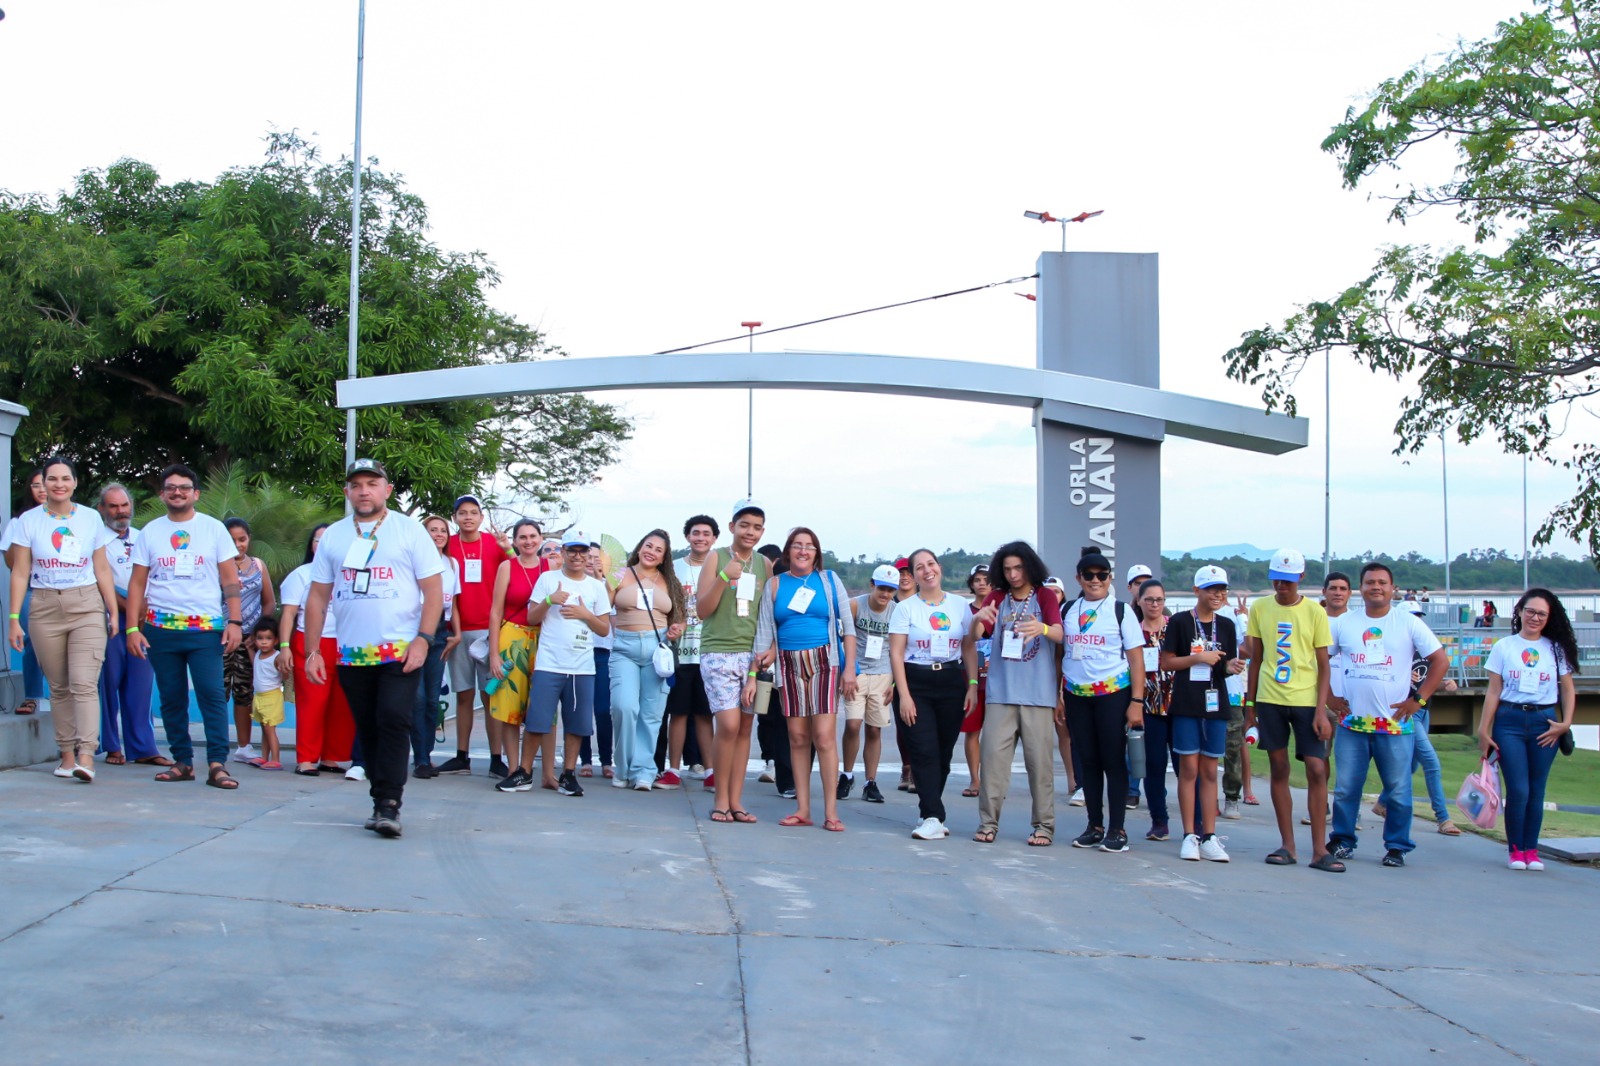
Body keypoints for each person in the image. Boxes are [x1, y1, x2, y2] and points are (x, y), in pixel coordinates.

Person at [303, 459, 445, 838]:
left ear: (387, 489)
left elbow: (433, 591)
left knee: (394, 719)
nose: (364, 491)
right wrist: (312, 650)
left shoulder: (408, 530)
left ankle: (390, 804)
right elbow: (317, 596)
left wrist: (424, 639)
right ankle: (379, 798)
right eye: (357, 485)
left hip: (400, 650)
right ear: (347, 491)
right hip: (352, 654)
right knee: (367, 727)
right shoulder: (334, 536)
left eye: (372, 483)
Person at [126, 463, 245, 789]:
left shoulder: (213, 529)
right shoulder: (150, 532)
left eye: (184, 488)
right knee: (171, 697)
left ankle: (218, 764)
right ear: (162, 494)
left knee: (211, 695)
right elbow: (137, 583)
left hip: (205, 630)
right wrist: (132, 629)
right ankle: (182, 762)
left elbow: (229, 579)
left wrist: (235, 622)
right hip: (160, 630)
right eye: (171, 488)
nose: (177, 492)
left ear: (196, 494)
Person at [1326, 562, 1447, 869]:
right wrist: (1328, 697)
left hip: (1395, 725)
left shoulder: (1408, 623)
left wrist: (1418, 700)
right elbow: (1320, 660)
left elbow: (1440, 661)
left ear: (1393, 588)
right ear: (1361, 588)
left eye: (1382, 582)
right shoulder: (1345, 623)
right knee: (1346, 788)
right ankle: (1342, 840)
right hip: (1353, 724)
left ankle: (1397, 846)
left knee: (1398, 790)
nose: (1376, 587)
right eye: (1370, 582)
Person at [6, 457, 119, 781]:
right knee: (59, 687)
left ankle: (86, 756)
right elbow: (20, 571)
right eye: (52, 479)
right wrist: (14, 618)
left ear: (75, 482)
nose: (59, 484)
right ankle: (67, 756)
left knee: (83, 683)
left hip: (86, 605)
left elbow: (101, 568)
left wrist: (112, 610)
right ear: (43, 483)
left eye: (65, 478)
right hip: (44, 606)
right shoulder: (28, 521)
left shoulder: (90, 518)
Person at [749, 527, 856, 831]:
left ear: (816, 553)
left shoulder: (829, 580)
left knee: (823, 736)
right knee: (797, 737)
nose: (803, 551)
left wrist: (849, 669)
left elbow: (848, 628)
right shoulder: (775, 584)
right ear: (788, 551)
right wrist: (755, 675)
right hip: (788, 663)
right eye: (797, 545)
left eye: (809, 546)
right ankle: (803, 809)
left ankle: (831, 812)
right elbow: (764, 633)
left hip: (824, 661)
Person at [499, 531, 612, 796]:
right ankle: (524, 772)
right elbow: (531, 617)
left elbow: (604, 629)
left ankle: (568, 774)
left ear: (588, 554)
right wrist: (550, 600)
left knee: (577, 724)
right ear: (563, 553)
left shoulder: (596, 587)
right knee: (537, 720)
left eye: (582, 551)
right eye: (571, 550)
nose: (577, 556)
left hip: (581, 666)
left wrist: (585, 614)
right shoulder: (548, 579)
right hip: (549, 663)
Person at [1244, 548, 1336, 869]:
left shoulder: (1314, 612)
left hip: (1306, 701)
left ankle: (1320, 849)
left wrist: (1322, 710)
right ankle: (1288, 845)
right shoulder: (1260, 608)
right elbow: (1256, 659)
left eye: (1288, 580)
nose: (1282, 586)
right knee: (1279, 767)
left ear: (1300, 577)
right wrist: (1250, 707)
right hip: (1270, 699)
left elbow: (1323, 665)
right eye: (1277, 580)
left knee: (1316, 768)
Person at [970, 541, 1064, 846]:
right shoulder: (998, 597)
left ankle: (1044, 826)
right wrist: (978, 619)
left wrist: (1043, 628)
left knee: (1040, 766)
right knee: (992, 764)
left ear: (1029, 567)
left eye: (1018, 568)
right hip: (1001, 693)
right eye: (1007, 569)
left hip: (1038, 696)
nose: (1013, 574)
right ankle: (988, 822)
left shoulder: (1044, 596)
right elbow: (974, 636)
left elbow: (1060, 633)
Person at [1479, 588, 1579, 871]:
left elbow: (1568, 689)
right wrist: (1484, 729)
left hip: (1544, 723)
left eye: (1542, 614)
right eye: (1531, 611)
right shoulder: (1504, 646)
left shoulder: (1555, 649)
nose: (1535, 618)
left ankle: (1531, 851)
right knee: (1518, 789)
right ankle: (1515, 850)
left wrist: (1566, 723)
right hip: (1509, 721)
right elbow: (1494, 690)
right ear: (1520, 612)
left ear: (1549, 618)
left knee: (1536, 790)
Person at [889, 549, 979, 840]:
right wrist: (904, 695)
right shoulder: (905, 608)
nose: (927, 571)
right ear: (913, 575)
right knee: (923, 750)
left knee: (942, 754)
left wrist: (972, 685)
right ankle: (933, 816)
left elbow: (968, 646)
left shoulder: (960, 605)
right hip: (916, 682)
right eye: (919, 567)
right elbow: (896, 653)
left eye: (931, 564)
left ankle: (928, 810)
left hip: (951, 681)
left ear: (939, 567)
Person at [1060, 549, 1147, 853]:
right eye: (1089, 575)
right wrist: (1058, 695)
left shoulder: (1120, 611)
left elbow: (1136, 660)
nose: (1095, 580)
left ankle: (1117, 829)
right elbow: (1060, 653)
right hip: (1076, 695)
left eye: (1101, 575)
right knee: (1089, 761)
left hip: (1113, 694)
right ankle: (1094, 826)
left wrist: (1137, 701)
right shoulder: (1068, 610)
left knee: (1113, 760)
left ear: (1110, 578)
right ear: (1078, 578)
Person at [696, 501, 772, 820]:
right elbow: (702, 610)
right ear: (732, 527)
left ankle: (736, 801)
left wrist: (765, 657)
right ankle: (720, 799)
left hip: (754, 658)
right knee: (727, 725)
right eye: (744, 525)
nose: (750, 532)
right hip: (718, 652)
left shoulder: (765, 564)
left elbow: (768, 615)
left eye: (757, 527)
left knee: (744, 729)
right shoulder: (716, 558)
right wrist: (723, 577)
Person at [1160, 566, 1238, 861]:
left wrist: (1230, 667)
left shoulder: (1226, 625)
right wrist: (1198, 658)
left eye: (1222, 590)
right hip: (1186, 703)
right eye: (1212, 589)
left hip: (1215, 704)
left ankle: (1209, 836)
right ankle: (1189, 835)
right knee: (1189, 769)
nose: (1218, 595)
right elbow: (1167, 662)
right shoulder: (1180, 621)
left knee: (1209, 771)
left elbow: (1224, 666)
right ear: (1197, 591)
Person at [95, 482, 166, 766]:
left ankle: (144, 748)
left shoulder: (142, 537)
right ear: (102, 508)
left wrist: (146, 609)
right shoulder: (95, 540)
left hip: (144, 619)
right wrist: (130, 607)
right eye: (113, 506)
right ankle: (111, 746)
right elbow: (99, 581)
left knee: (141, 685)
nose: (120, 511)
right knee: (107, 683)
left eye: (124, 505)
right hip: (110, 617)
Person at [611, 529, 688, 790]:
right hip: (624, 648)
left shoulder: (670, 581)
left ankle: (643, 770)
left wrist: (677, 629)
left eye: (658, 550)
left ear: (664, 557)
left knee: (652, 713)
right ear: (640, 547)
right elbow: (602, 606)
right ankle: (622, 768)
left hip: (658, 650)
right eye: (648, 545)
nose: (651, 552)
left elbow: (681, 618)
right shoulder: (620, 574)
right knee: (624, 707)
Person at [438, 494, 509, 776]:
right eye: (462, 513)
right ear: (454, 517)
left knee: (491, 696)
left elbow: (516, 570)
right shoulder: (449, 545)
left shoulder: (493, 544)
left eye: (473, 513)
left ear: (481, 517)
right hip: (457, 630)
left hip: (491, 631)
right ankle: (461, 757)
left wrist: (509, 548)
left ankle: (496, 759)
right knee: (464, 695)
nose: (468, 517)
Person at [277, 524, 356, 775]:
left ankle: (332, 757)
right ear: (311, 545)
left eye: (327, 541)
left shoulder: (349, 573)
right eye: (317, 540)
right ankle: (306, 759)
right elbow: (288, 614)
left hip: (344, 644)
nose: (322, 545)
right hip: (311, 643)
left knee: (341, 703)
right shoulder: (301, 575)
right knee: (312, 702)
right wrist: (285, 647)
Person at [486, 519, 552, 785]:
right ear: (514, 541)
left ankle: (545, 772)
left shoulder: (550, 567)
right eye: (522, 537)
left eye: (533, 536)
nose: (528, 542)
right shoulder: (507, 567)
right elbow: (495, 612)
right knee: (510, 709)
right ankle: (514, 769)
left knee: (544, 708)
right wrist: (494, 654)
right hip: (511, 638)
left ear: (540, 538)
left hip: (544, 639)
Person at [661, 515, 719, 788]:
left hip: (709, 651)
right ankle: (673, 770)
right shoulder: (673, 568)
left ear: (714, 538)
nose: (700, 538)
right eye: (696, 533)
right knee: (679, 713)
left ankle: (711, 771)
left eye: (706, 534)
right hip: (680, 654)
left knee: (705, 714)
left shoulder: (721, 568)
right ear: (687, 537)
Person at [839, 564, 898, 804]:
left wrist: (894, 683)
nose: (885, 594)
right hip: (857, 672)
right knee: (853, 724)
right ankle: (847, 774)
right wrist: (846, 670)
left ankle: (870, 782)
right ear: (872, 585)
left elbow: (899, 649)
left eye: (890, 590)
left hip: (883, 673)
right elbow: (841, 638)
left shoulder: (897, 612)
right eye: (882, 588)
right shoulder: (856, 605)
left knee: (874, 729)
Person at [222, 518, 275, 765]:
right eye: (231, 540)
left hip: (250, 642)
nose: (237, 545)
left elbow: (269, 602)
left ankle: (244, 747)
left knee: (245, 692)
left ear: (249, 539)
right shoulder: (216, 566)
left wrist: (259, 634)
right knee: (217, 690)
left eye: (242, 539)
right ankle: (217, 744)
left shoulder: (258, 565)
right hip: (220, 638)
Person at [411, 516, 461, 778]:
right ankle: (419, 758)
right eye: (433, 530)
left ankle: (426, 755)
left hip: (441, 631)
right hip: (414, 629)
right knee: (417, 699)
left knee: (432, 700)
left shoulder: (451, 563)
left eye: (443, 530)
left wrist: (457, 633)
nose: (439, 534)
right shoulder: (413, 560)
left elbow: (454, 603)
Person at [2, 468, 48, 715]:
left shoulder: (69, 521)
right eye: (36, 485)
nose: (42, 489)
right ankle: (32, 696)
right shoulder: (18, 522)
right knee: (33, 640)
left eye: (45, 484)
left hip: (63, 588)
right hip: (31, 587)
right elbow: (11, 563)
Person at [1133, 578, 1175, 841]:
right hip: (1148, 707)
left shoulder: (1175, 628)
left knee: (1186, 766)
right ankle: (1159, 820)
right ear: (1139, 601)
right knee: (1154, 765)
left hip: (1178, 706)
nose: (1154, 604)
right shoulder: (1133, 632)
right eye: (1149, 599)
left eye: (1159, 599)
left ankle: (1197, 822)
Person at [958, 564, 993, 800]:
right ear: (971, 583)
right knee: (972, 732)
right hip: (970, 681)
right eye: (978, 579)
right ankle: (975, 778)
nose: (982, 584)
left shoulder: (1001, 609)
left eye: (987, 580)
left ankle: (993, 781)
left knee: (996, 736)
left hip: (997, 683)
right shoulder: (965, 611)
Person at [579, 542, 615, 777]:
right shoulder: (575, 584)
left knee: (603, 710)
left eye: (596, 557)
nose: (591, 561)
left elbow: (610, 619)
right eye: (587, 556)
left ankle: (606, 760)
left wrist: (603, 581)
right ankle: (584, 759)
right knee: (581, 709)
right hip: (579, 650)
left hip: (603, 652)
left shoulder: (608, 587)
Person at [246, 618, 284, 770]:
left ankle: (275, 759)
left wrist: (285, 670)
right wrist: (249, 649)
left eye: (268, 638)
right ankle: (264, 757)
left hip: (271, 697)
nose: (263, 642)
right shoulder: (258, 654)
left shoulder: (277, 657)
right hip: (259, 697)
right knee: (264, 729)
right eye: (260, 638)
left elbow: (285, 674)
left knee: (270, 730)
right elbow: (255, 665)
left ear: (276, 640)